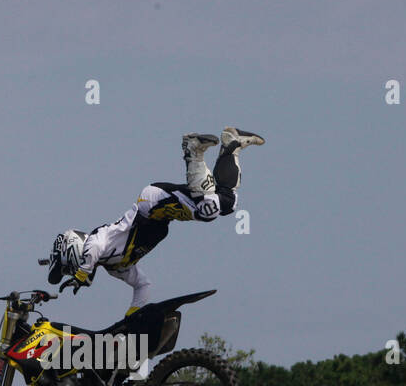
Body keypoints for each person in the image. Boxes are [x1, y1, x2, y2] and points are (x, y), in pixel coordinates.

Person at [45, 127, 265, 314]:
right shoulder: (115, 266)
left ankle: (193, 150)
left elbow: (94, 246)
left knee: (207, 209)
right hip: (161, 215)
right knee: (226, 202)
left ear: (70, 250)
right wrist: (132, 316)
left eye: (67, 269)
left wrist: (82, 272)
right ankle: (232, 143)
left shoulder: (98, 239)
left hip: (151, 205)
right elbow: (143, 285)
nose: (70, 275)